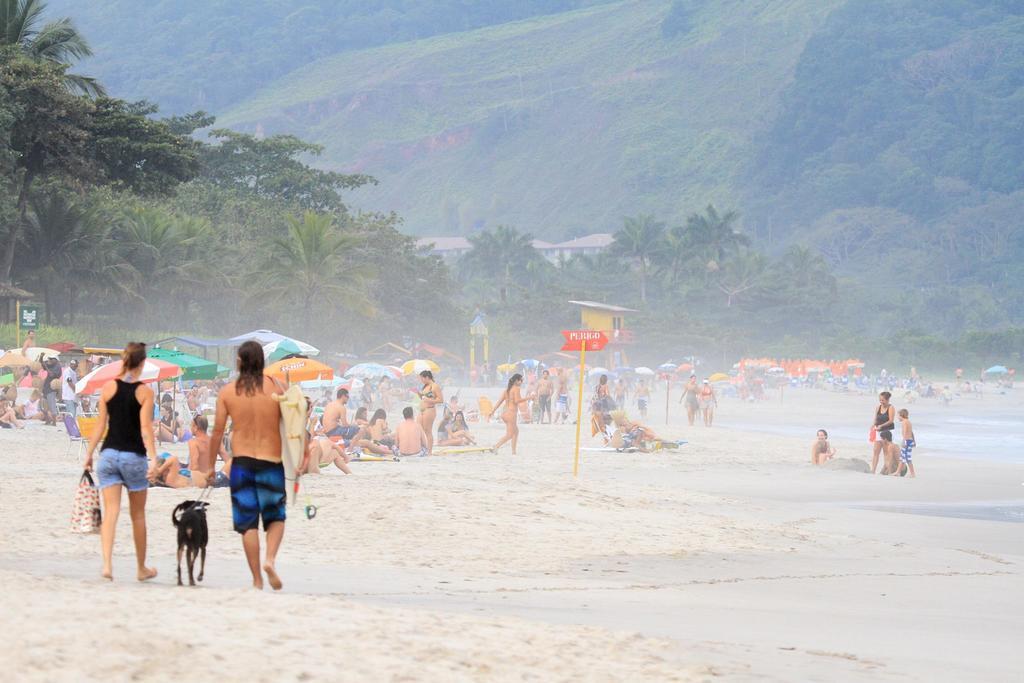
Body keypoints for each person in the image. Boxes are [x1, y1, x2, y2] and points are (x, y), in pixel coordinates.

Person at [209, 341, 306, 590]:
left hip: (241, 464)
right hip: (271, 462)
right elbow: (294, 426)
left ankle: (256, 580)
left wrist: (210, 467)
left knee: (248, 524)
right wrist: (299, 457)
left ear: (240, 361)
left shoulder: (228, 392)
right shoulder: (277, 388)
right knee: (276, 517)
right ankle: (270, 560)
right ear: (262, 361)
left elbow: (217, 432)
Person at [82, 342, 159, 582]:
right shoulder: (145, 392)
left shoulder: (108, 388)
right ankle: (141, 568)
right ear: (142, 363)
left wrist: (89, 455)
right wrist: (154, 458)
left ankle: (107, 565)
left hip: (107, 456)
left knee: (111, 511)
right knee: (137, 515)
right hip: (132, 456)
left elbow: (100, 426)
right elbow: (146, 428)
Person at [491, 374, 533, 455]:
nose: (521, 382)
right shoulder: (516, 388)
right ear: (516, 381)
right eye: (521, 380)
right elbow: (517, 401)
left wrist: (492, 411)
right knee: (510, 435)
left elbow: (499, 402)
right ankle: (496, 446)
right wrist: (529, 397)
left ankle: (513, 451)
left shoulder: (507, 390)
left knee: (516, 432)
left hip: (504, 414)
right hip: (511, 413)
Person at [417, 370, 443, 455]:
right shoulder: (425, 386)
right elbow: (423, 398)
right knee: (419, 430)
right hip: (422, 410)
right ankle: (421, 448)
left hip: (430, 410)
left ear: (427, 377)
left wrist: (429, 400)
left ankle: (429, 451)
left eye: (422, 378)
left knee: (428, 430)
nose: (421, 380)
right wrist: (419, 394)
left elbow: (440, 400)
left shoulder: (434, 386)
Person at [871, 391, 897, 475]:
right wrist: (873, 425)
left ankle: (887, 470)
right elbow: (876, 418)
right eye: (880, 400)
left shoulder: (891, 408)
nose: (881, 402)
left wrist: (881, 426)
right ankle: (873, 470)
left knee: (886, 452)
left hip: (888, 431)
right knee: (876, 451)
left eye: (883, 400)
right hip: (878, 431)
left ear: (887, 400)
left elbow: (891, 420)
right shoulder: (878, 407)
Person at [898, 408, 916, 478]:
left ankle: (912, 473)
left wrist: (903, 441)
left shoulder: (904, 422)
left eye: (898, 416)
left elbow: (905, 432)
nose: (898, 417)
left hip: (907, 441)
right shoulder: (908, 421)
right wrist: (914, 441)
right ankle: (898, 472)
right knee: (902, 457)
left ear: (902, 415)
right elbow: (911, 432)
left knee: (907, 458)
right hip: (909, 441)